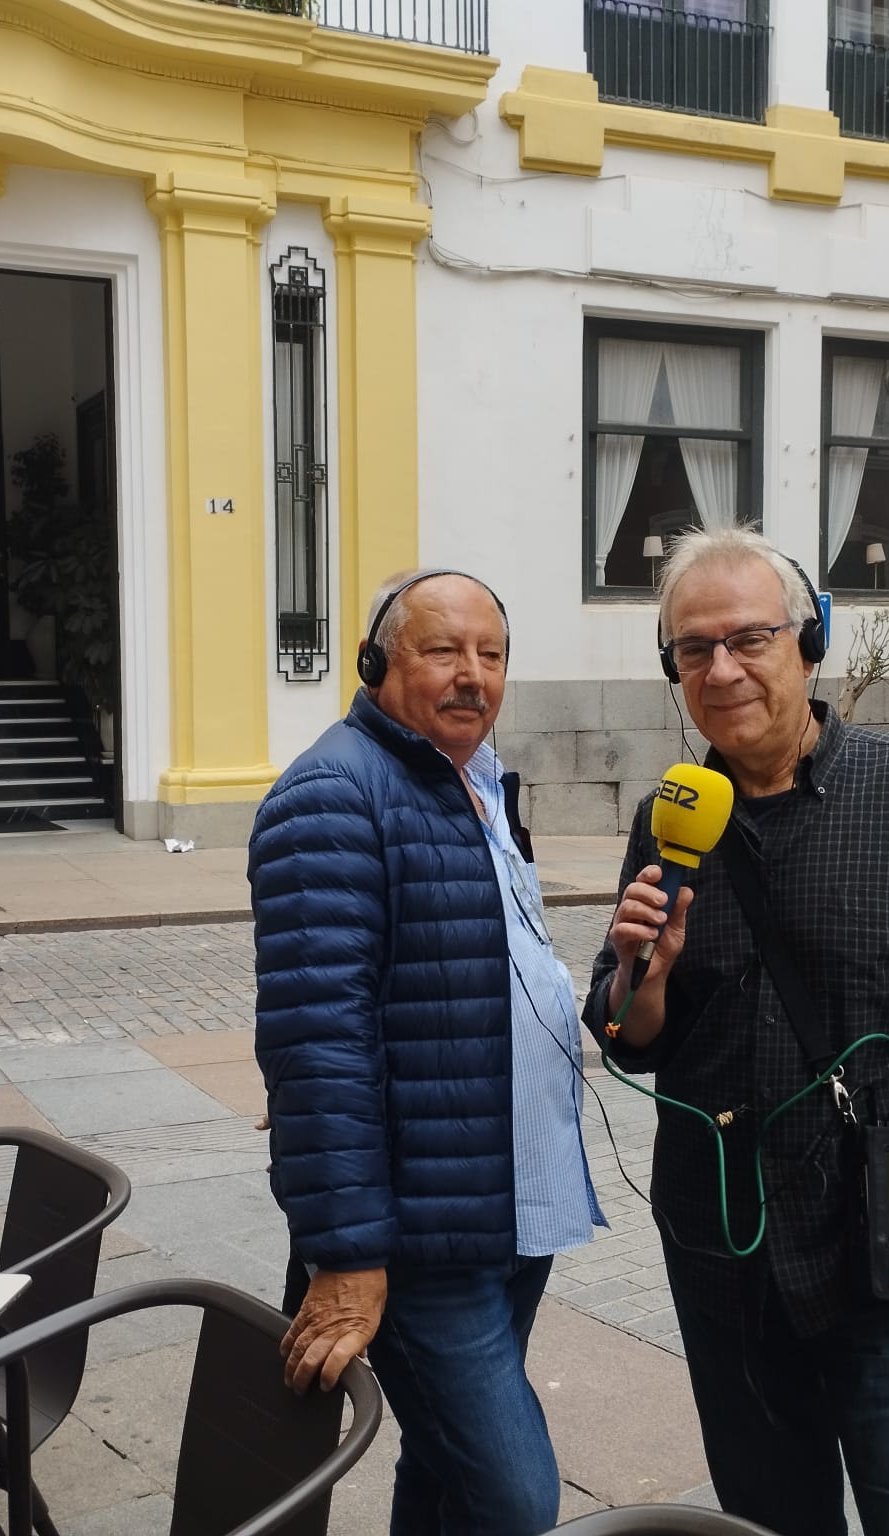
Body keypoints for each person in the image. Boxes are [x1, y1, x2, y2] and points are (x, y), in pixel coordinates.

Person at [585, 526, 889, 1536]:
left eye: (749, 639)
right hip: (726, 1254)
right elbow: (629, 1034)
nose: (721, 669)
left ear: (810, 644)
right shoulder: (669, 820)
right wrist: (644, 977)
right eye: (693, 649)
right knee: (767, 1521)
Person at [250, 568, 604, 1536]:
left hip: (506, 1209)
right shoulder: (333, 795)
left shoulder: (473, 785)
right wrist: (349, 1253)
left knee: (445, 1465)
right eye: (443, 650)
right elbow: (318, 1046)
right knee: (513, 1495)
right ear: (376, 663)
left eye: (490, 655)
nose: (472, 676)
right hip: (419, 1237)